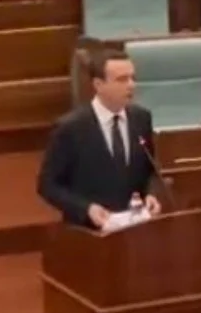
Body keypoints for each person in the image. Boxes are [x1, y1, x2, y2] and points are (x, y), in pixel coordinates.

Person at [37, 48, 161, 229]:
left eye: (132, 78)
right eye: (122, 79)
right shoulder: (70, 128)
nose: (131, 85)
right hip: (89, 232)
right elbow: (48, 186)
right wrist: (86, 208)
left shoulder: (141, 118)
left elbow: (150, 171)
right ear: (98, 84)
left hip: (135, 228)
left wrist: (151, 194)